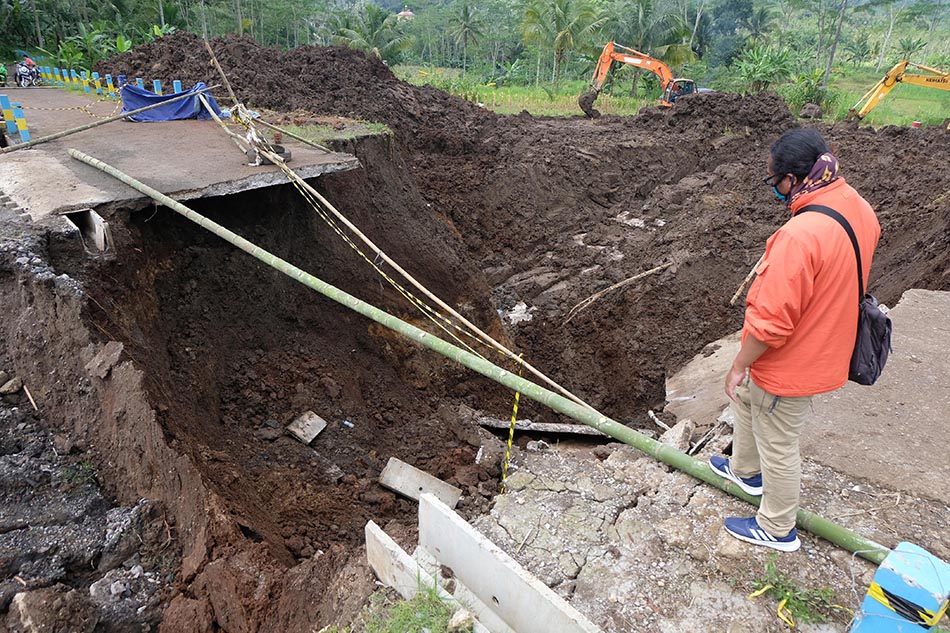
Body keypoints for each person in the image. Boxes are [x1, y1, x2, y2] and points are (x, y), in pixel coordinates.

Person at [709, 127, 881, 552]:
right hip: (827, 340)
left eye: (774, 182)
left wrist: (739, 363)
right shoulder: (855, 205)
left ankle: (776, 526)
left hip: (792, 361)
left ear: (793, 178)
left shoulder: (799, 236)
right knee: (748, 401)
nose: (774, 191)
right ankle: (746, 471)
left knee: (780, 440)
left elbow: (771, 325)